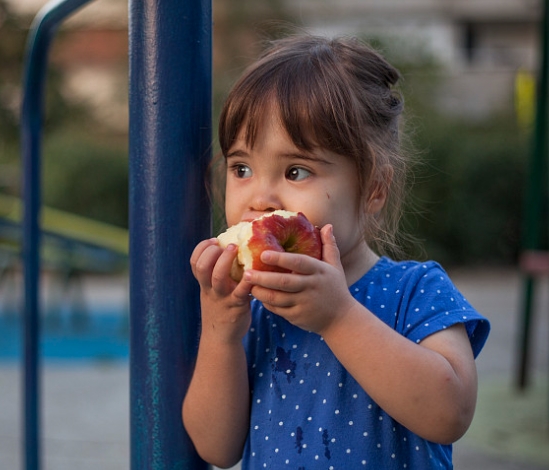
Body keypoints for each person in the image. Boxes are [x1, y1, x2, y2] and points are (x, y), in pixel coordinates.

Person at [182, 34, 490, 470]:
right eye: (242, 168)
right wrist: (220, 334)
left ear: (375, 187)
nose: (261, 198)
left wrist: (338, 317)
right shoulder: (255, 310)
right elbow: (216, 448)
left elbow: (450, 413)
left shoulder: (415, 290)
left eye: (296, 170)